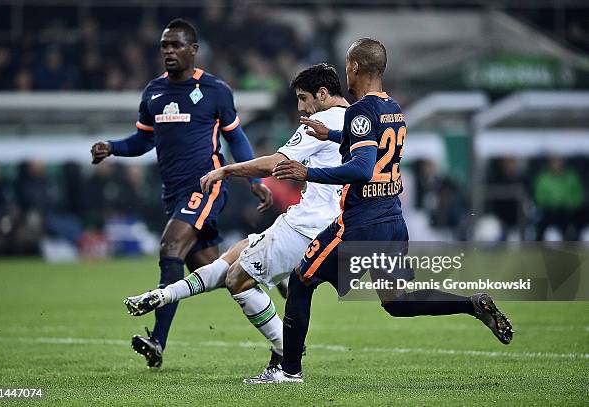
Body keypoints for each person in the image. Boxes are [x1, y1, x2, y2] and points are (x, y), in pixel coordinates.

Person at [248, 38, 514, 384]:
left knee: (301, 281)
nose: (346, 72)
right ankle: (471, 304)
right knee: (397, 301)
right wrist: (331, 135)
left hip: (360, 224)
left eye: (347, 66)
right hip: (392, 221)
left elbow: (361, 169)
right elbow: (371, 143)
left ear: (355, 67)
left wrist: (308, 172)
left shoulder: (360, 110)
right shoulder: (393, 107)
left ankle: (289, 372)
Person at [123, 63, 348, 373]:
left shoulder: (319, 122)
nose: (300, 107)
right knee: (234, 256)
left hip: (307, 227)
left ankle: (288, 351)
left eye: (302, 98)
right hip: (339, 228)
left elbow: (273, 164)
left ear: (322, 95)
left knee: (237, 280)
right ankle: (164, 294)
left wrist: (226, 170)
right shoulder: (359, 122)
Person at [90, 18, 272, 368]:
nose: (169, 51)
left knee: (170, 246)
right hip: (174, 194)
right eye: (164, 46)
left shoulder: (216, 91)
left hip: (206, 185)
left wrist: (254, 180)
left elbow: (236, 137)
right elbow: (143, 139)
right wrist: (111, 147)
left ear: (193, 50)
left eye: (176, 45)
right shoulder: (153, 93)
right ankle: (266, 269)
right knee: (212, 270)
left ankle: (157, 340)